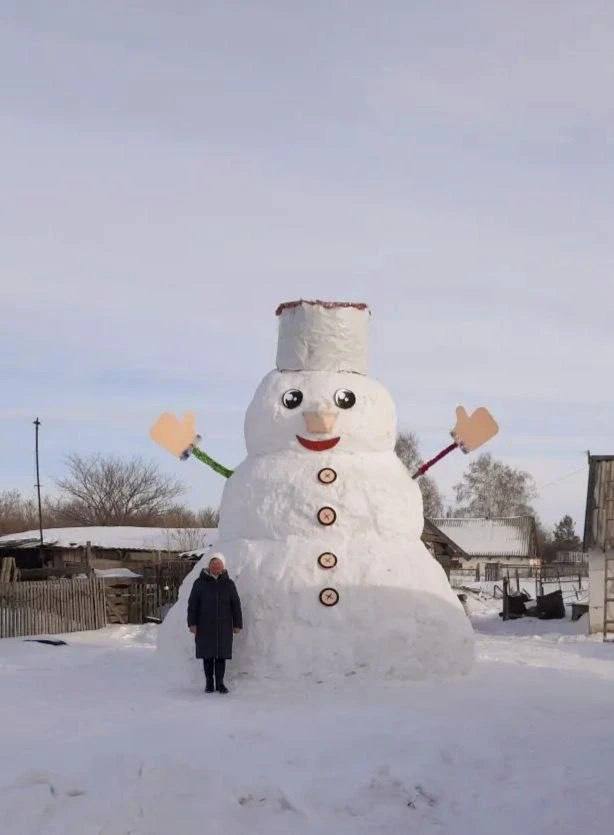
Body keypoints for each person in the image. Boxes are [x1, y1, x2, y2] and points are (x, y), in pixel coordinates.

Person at [187, 554, 243, 694]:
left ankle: (220, 683)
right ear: (209, 566)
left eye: (219, 564)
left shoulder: (229, 584)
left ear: (223, 567)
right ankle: (209, 683)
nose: (216, 567)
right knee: (207, 655)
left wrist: (237, 624)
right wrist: (192, 623)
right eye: (214, 564)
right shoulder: (199, 583)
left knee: (221, 655)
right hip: (204, 625)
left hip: (224, 625)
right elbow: (192, 605)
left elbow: (236, 605)